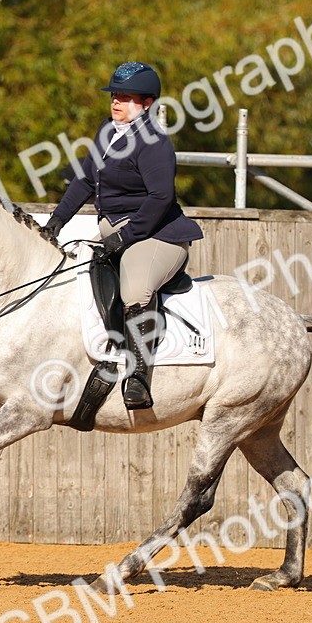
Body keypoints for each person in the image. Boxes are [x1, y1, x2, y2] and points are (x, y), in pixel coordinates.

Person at [44, 61, 203, 410]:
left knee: (134, 289)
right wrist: (57, 221)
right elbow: (85, 180)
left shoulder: (155, 143)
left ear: (147, 103)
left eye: (126, 97)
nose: (116, 102)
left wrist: (127, 235)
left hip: (157, 235)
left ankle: (139, 377)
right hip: (119, 231)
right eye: (114, 95)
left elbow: (161, 198)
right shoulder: (107, 130)